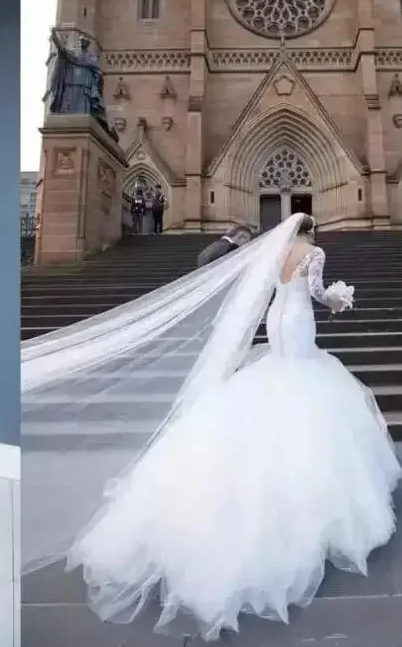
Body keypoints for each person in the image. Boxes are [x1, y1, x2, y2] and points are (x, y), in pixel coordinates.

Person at [21, 213, 400, 641]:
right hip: (298, 319)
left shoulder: (274, 252)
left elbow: (267, 290)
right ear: (310, 231)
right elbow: (314, 292)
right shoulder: (314, 252)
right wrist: (338, 300)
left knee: (277, 367)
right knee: (304, 375)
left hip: (277, 318)